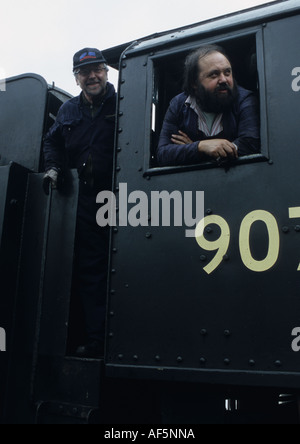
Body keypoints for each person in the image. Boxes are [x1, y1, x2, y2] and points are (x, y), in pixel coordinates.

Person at [43, 48, 116, 358]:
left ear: (106, 72)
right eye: (85, 72)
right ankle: (97, 340)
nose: (92, 76)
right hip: (85, 199)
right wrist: (54, 167)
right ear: (77, 78)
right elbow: (52, 141)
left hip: (119, 195)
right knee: (90, 268)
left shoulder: (122, 102)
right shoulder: (68, 111)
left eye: (97, 69)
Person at [157, 45, 260, 167]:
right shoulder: (178, 105)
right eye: (214, 75)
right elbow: (163, 154)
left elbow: (250, 144)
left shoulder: (245, 99)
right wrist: (201, 147)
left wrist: (196, 148)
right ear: (194, 83)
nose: (223, 80)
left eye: (227, 72)